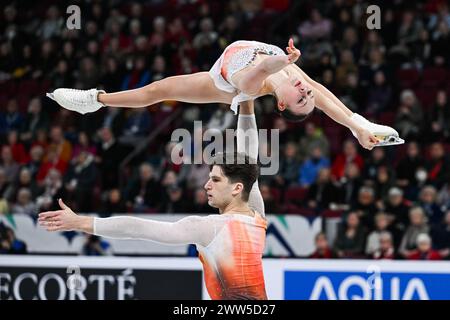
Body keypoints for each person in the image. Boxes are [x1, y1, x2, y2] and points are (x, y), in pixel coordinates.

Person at [39, 101, 268, 300]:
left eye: (216, 180)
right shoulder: (257, 216)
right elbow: (249, 157)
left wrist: (79, 222)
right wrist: (246, 102)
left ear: (237, 188)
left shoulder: (210, 228)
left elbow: (136, 228)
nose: (206, 185)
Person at [47, 39, 403, 150]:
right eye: (305, 92)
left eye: (300, 98)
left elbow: (262, 69)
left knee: (157, 91)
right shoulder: (296, 79)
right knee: (158, 90)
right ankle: (95, 102)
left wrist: (284, 59)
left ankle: (96, 100)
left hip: (223, 80)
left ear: (281, 104)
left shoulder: (258, 83)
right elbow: (324, 96)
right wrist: (358, 125)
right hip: (253, 61)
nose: (305, 90)